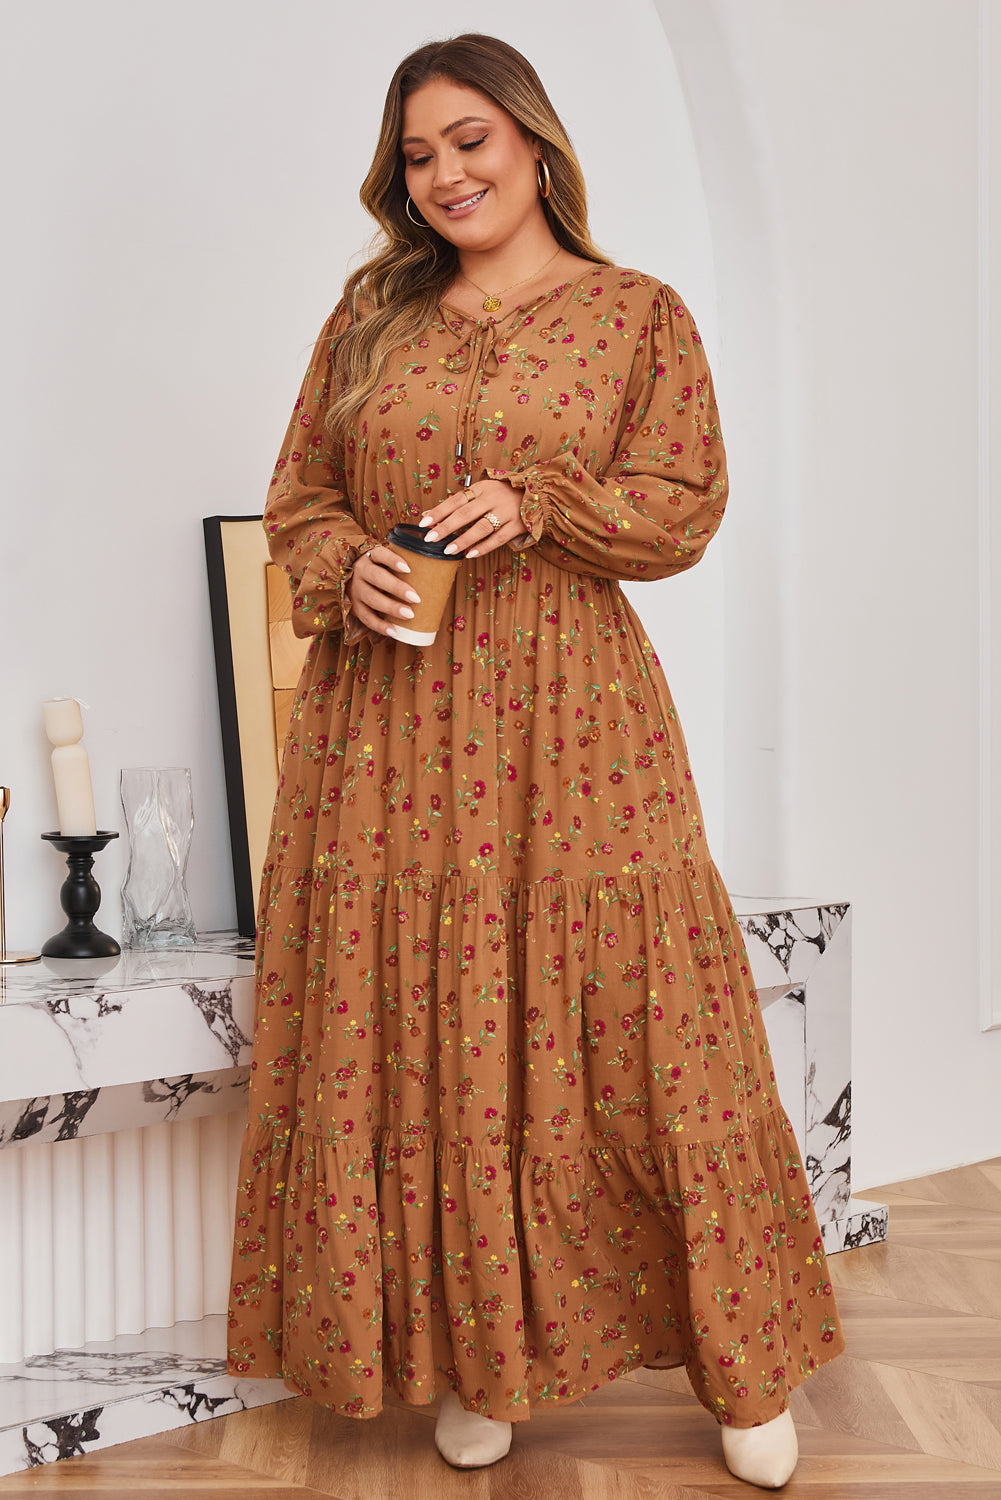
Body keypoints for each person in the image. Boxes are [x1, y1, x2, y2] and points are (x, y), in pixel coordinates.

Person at [227, 33, 846, 1489]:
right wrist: (344, 565)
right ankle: (480, 1361)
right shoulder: (369, 319)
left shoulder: (637, 316)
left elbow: (682, 504)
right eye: (417, 156)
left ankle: (744, 1371)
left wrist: (542, 500)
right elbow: (298, 497)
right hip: (388, 731)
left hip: (574, 721)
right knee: (429, 1025)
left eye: (469, 141)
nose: (445, 174)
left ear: (533, 140)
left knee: (647, 1022)